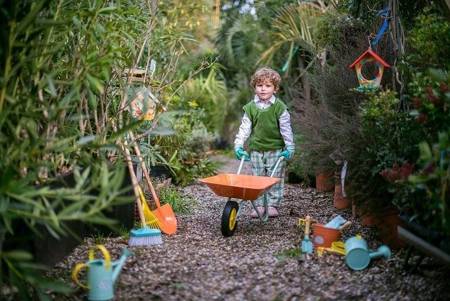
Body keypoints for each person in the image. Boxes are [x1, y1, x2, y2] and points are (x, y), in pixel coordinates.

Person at [234, 67, 295, 218]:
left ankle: (273, 205)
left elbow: (286, 129)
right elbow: (245, 129)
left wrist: (290, 147)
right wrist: (238, 145)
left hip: (275, 149)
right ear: (254, 87)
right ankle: (260, 205)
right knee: (258, 177)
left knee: (274, 178)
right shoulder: (250, 108)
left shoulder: (279, 108)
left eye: (268, 86)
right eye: (260, 85)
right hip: (256, 149)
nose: (263, 89)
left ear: (275, 89)